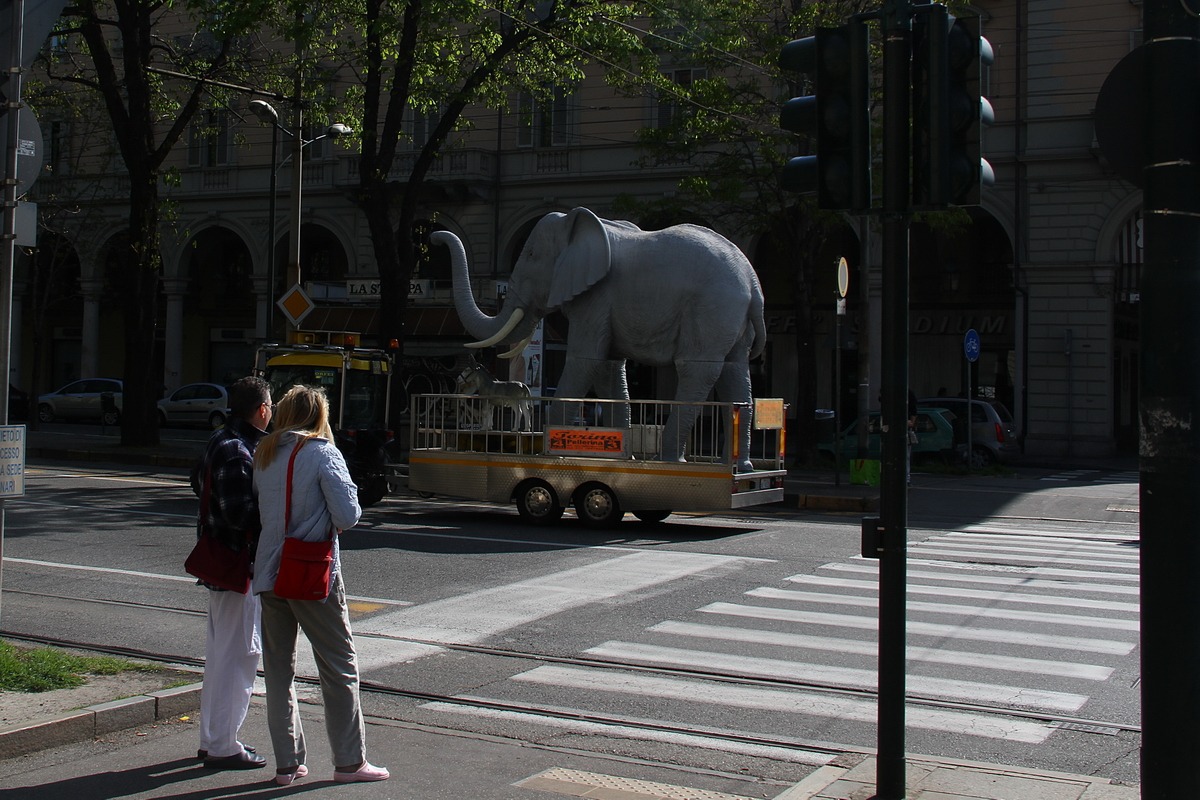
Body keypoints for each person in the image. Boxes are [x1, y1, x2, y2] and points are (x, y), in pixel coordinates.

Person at [252, 385, 389, 786]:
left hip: (269, 571)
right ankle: (349, 762)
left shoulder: (264, 453)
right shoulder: (322, 452)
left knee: (278, 671)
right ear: (319, 416)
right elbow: (348, 515)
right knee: (339, 665)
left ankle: (287, 764)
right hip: (312, 574)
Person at [194, 376, 273, 769]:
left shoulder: (220, 439)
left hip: (220, 563)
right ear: (261, 409)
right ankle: (224, 744)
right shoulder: (240, 451)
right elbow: (241, 514)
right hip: (238, 566)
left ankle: (213, 738)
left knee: (220, 655)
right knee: (240, 656)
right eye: (271, 406)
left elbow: (198, 484)